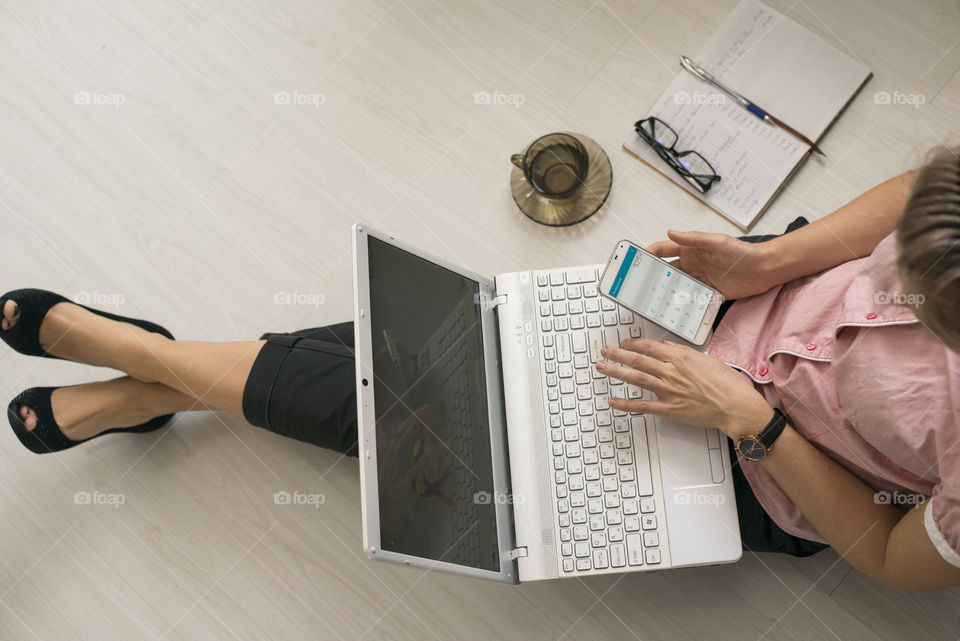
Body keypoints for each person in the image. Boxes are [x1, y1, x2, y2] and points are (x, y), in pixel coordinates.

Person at [3, 148, 959, 592]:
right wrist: (773, 264)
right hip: (743, 302)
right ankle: (147, 373)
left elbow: (893, 560)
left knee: (426, 410)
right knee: (449, 342)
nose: (891, 290)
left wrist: (755, 420)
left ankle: (144, 358)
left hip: (763, 462)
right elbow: (921, 188)